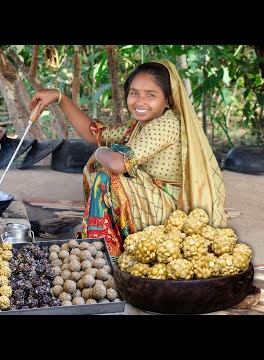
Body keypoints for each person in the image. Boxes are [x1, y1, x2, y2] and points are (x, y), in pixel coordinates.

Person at [30, 60, 227, 262]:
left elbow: (118, 163)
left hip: (169, 209)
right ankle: (101, 249)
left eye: (151, 95)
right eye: (134, 93)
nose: (140, 101)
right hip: (151, 198)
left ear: (168, 100)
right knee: (107, 167)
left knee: (108, 176)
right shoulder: (139, 125)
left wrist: (100, 153)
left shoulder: (166, 124)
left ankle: (103, 253)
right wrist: (59, 97)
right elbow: (95, 134)